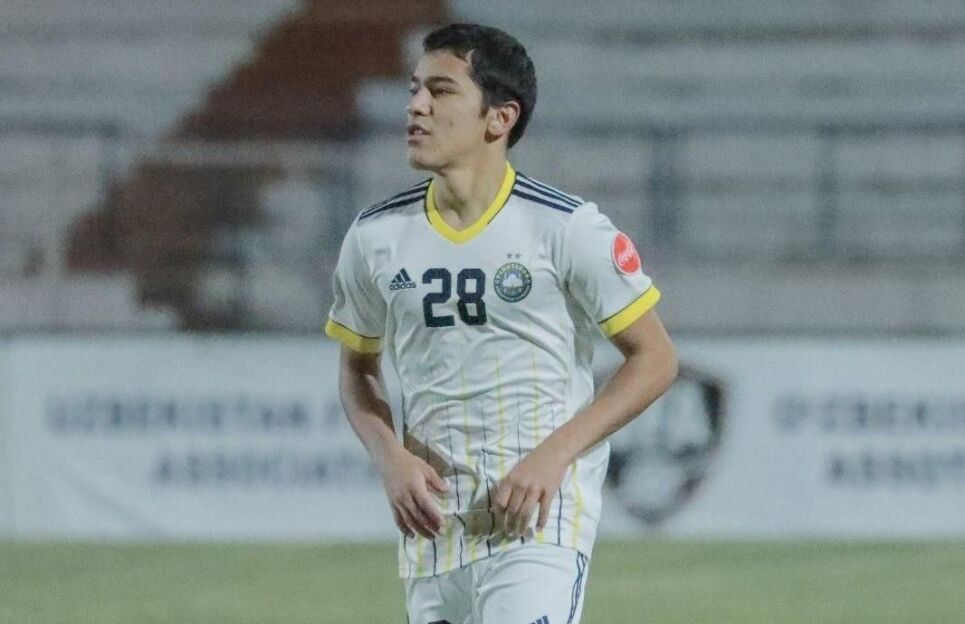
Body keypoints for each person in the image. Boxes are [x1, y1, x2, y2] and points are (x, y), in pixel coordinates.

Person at [325, 22, 678, 624]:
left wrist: (554, 456)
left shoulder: (566, 228)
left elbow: (656, 358)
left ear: (499, 117)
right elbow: (358, 369)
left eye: (441, 91)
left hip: (536, 525)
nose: (416, 106)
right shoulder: (374, 236)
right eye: (414, 90)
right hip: (434, 530)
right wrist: (389, 458)